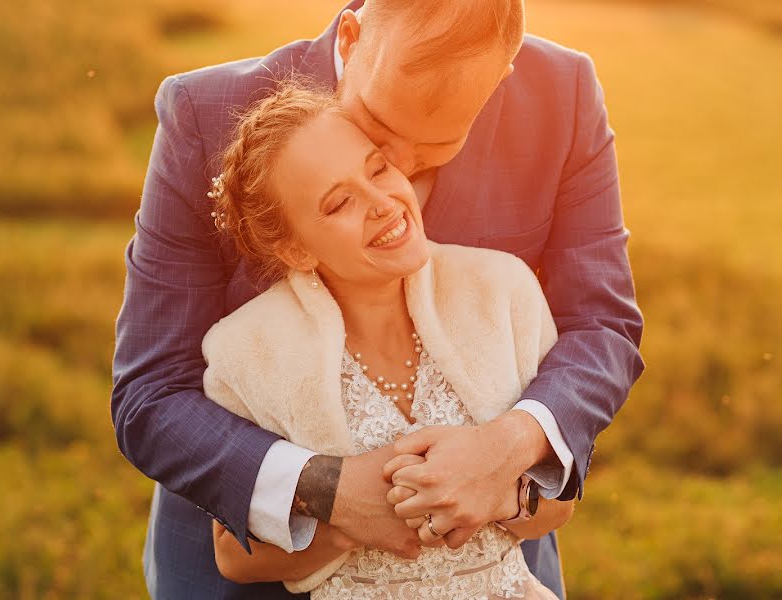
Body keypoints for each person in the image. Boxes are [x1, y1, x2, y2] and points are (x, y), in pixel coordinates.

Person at [111, 1, 644, 598]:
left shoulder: (563, 95)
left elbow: (601, 324)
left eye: (440, 143)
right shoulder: (203, 115)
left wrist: (510, 449)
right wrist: (324, 490)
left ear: (502, 77)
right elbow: (151, 390)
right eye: (379, 129)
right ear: (352, 32)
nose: (400, 177)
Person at [204, 79, 572, 599]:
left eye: (377, 168)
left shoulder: (503, 289)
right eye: (339, 203)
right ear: (295, 249)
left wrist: (489, 495)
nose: (383, 202)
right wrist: (349, 520)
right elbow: (233, 556)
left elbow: (560, 503)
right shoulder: (249, 351)